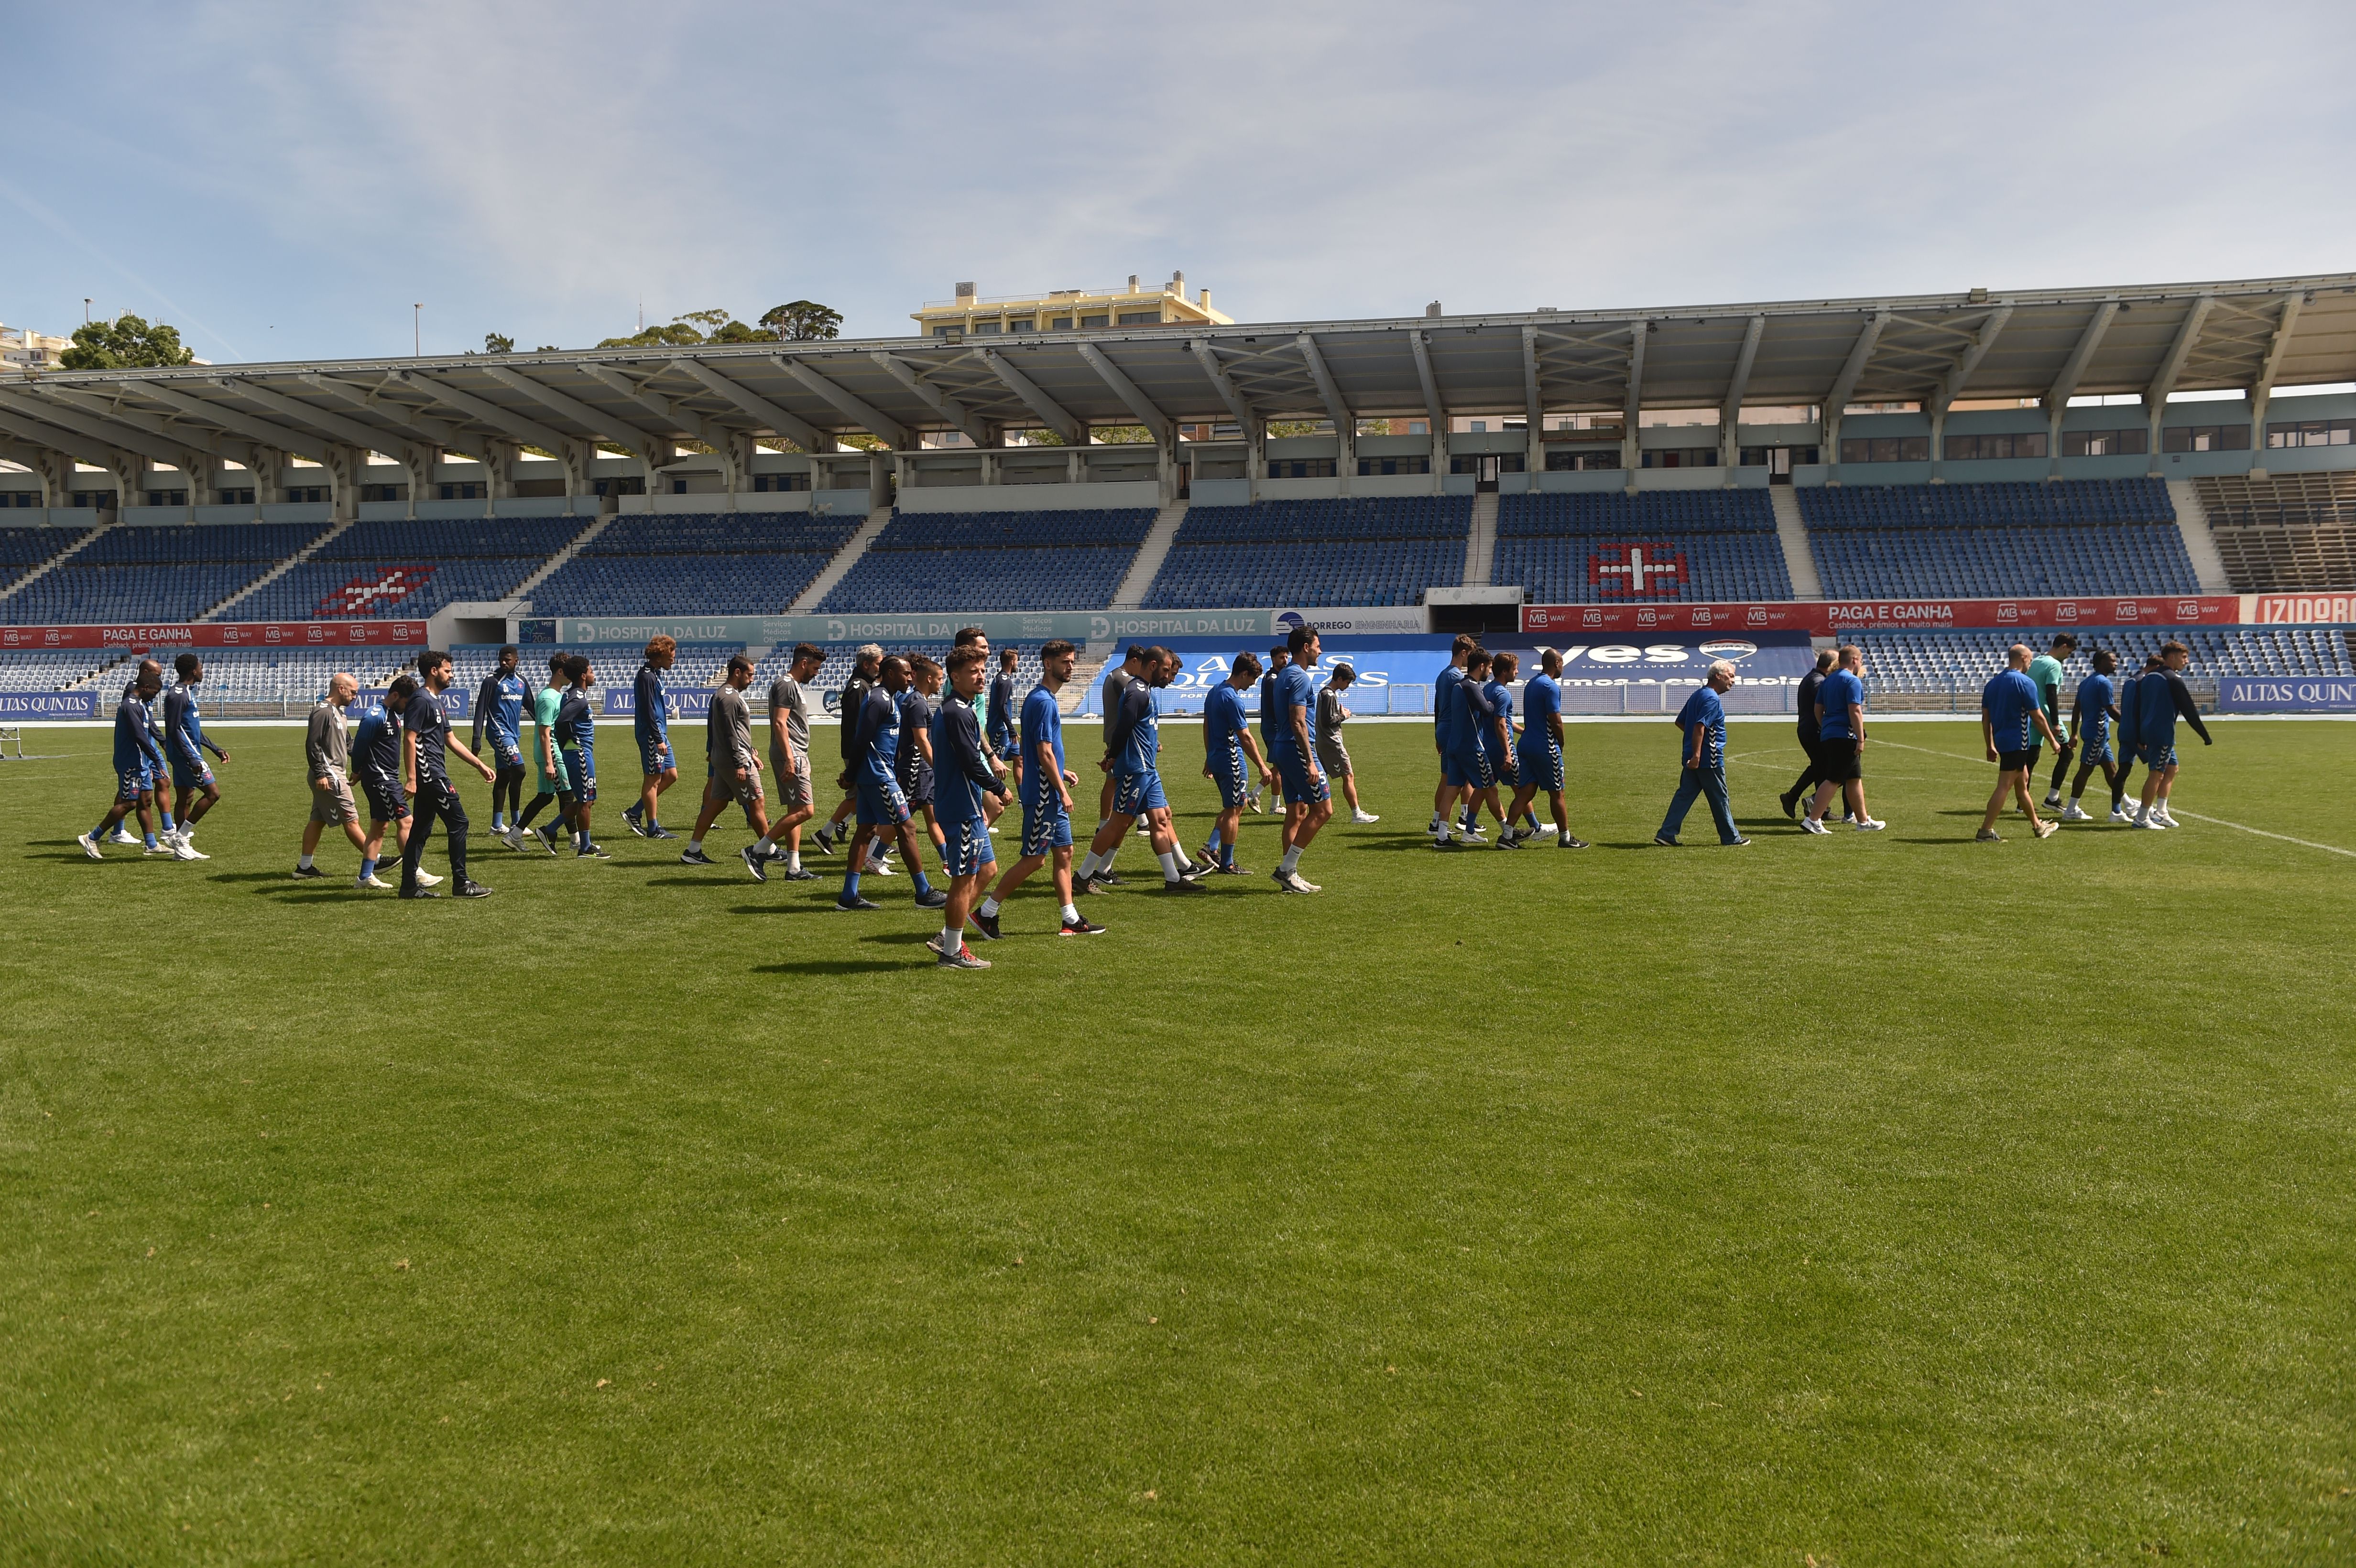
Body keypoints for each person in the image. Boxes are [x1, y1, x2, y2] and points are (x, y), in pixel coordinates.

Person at [972, 639, 1103, 939]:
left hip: (1048, 789)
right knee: (1035, 859)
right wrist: (1062, 789)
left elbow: (1042, 751)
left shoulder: (1040, 698)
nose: (1071, 666)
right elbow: (1043, 751)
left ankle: (1070, 919)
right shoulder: (1044, 701)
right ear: (1048, 664)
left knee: (1066, 853)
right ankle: (986, 912)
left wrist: (1061, 770)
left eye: (1072, 661)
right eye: (1065, 662)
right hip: (1045, 795)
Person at [1080, 645, 1203, 894]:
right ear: (1153, 666)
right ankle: (1082, 877)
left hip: (1148, 770)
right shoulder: (1137, 692)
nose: (1168, 676)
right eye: (1166, 670)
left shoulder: (1144, 690)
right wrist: (1113, 757)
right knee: (1118, 824)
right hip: (1135, 769)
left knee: (1161, 818)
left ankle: (1173, 879)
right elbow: (1123, 727)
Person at [836, 654, 946, 913]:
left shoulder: (892, 699)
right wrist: (851, 773)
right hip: (877, 774)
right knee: (907, 827)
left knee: (866, 830)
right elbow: (862, 738)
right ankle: (924, 892)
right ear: (890, 674)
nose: (910, 677)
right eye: (906, 673)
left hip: (877, 774)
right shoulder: (879, 699)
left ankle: (849, 895)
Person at [929, 645, 1012, 968]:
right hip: (961, 807)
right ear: (955, 676)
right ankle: (951, 950)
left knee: (988, 870)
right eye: (973, 671)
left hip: (968, 806)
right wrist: (999, 788)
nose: (981, 676)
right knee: (963, 880)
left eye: (982, 670)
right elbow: (968, 762)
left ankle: (950, 937)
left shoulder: (961, 708)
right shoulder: (957, 712)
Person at [711, 641, 823, 878]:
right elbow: (780, 723)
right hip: (791, 754)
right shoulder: (785, 685)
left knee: (796, 810)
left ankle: (793, 867)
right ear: (804, 663)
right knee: (806, 810)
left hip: (796, 753)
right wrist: (791, 759)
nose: (816, 674)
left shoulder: (791, 685)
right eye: (814, 669)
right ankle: (759, 850)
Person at [399, 650, 495, 897]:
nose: (452, 675)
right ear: (434, 671)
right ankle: (461, 884)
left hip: (432, 774)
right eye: (448, 671)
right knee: (459, 822)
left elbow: (450, 740)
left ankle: (409, 886)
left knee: (421, 829)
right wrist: (412, 778)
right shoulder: (421, 700)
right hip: (431, 776)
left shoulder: (436, 701)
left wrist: (479, 765)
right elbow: (409, 738)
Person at [79, 659, 177, 860]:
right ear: (146, 687)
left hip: (141, 762)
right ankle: (92, 837)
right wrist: (157, 761)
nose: (155, 697)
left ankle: (151, 844)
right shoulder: (131, 705)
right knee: (129, 803)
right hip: (131, 761)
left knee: (145, 800)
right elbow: (139, 736)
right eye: (155, 692)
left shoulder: (140, 704)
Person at [282, 671, 374, 878]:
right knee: (351, 819)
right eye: (353, 692)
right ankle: (375, 860)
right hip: (329, 776)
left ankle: (305, 868)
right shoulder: (323, 711)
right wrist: (320, 774)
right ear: (341, 689)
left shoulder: (340, 713)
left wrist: (366, 760)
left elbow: (349, 745)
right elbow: (312, 744)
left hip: (334, 774)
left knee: (318, 820)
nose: (355, 697)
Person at [1655, 660, 1748, 847]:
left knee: (1685, 795)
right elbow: (1700, 726)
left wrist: (1693, 747)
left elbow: (1681, 722)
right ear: (1718, 676)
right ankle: (1731, 837)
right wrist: (1699, 753)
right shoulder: (1712, 698)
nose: (1733, 680)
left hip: (1693, 755)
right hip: (1708, 758)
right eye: (1730, 676)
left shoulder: (1698, 694)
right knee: (1720, 796)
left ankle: (1667, 833)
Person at [1269, 624, 1335, 891]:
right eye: (1318, 646)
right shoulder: (1300, 678)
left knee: (1297, 811)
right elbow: (1298, 722)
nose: (1321, 651)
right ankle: (1286, 870)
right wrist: (1310, 760)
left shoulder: (1284, 674)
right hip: (1297, 749)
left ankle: (1290, 874)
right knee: (1324, 810)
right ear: (1306, 647)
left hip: (1282, 748)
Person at [1976, 644, 2063, 843]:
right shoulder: (2025, 682)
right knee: (2005, 786)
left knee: (2022, 784)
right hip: (2019, 741)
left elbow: (1986, 718)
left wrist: (1990, 745)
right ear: (2024, 658)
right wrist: (2053, 740)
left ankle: (2038, 826)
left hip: (2003, 741)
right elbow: (2038, 717)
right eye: (2031, 660)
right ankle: (1985, 831)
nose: (2031, 664)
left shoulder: (1993, 683)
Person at [1199, 652, 1274, 874]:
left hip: (1217, 756)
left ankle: (1212, 847)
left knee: (1235, 805)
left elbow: (1206, 726)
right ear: (1244, 674)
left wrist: (1209, 754)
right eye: (1252, 679)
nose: (1253, 684)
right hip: (1231, 760)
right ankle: (1228, 863)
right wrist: (1261, 765)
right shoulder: (1232, 698)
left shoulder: (1215, 692)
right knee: (1233, 810)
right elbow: (1245, 736)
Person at [2128, 639, 2214, 829]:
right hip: (2162, 733)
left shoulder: (2149, 677)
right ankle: (2142, 818)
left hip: (2148, 730)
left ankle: (2161, 812)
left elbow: (2139, 707)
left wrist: (2140, 734)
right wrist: (2205, 736)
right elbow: (2189, 710)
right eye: (2184, 657)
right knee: (2156, 774)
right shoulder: (2173, 679)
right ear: (2172, 657)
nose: (2187, 661)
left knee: (2172, 768)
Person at [1507, 647, 1587, 848]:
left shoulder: (1532, 683)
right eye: (1562, 664)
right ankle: (1566, 839)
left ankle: (1507, 835)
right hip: (1545, 746)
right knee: (1557, 793)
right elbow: (1556, 720)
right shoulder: (1550, 686)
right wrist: (1561, 742)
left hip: (1526, 744)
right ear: (1557, 664)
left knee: (1525, 792)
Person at [1801, 644, 1884, 834]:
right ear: (1855, 660)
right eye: (1861, 660)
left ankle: (1863, 821)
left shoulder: (1828, 680)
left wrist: (1826, 725)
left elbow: (1817, 709)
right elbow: (1855, 710)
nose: (1861, 663)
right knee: (1834, 779)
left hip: (1830, 733)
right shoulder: (1852, 681)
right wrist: (1860, 738)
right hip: (1845, 735)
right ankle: (1813, 819)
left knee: (1854, 778)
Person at [351, 675, 423, 890]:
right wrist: (357, 771)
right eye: (407, 702)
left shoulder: (393, 715)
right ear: (395, 695)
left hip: (387, 777)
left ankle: (365, 878)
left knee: (379, 827)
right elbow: (360, 745)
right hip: (381, 779)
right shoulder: (375, 715)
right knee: (407, 822)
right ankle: (415, 873)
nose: (408, 708)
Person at [813, 644, 883, 857]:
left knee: (865, 797)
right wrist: (857, 756)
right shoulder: (858, 687)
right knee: (859, 796)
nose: (881, 667)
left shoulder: (864, 685)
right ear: (867, 664)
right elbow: (857, 725)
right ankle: (826, 832)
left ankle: (844, 830)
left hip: (859, 750)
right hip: (857, 751)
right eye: (879, 663)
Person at [162, 653, 228, 858]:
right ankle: (180, 837)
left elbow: (193, 730)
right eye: (200, 667)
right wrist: (192, 758)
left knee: (186, 797)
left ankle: (181, 850)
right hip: (187, 755)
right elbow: (173, 730)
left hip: (188, 752)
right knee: (213, 794)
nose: (202, 671)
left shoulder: (187, 693)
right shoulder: (178, 695)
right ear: (193, 670)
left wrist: (214, 748)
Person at [511, 651, 573, 853]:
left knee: (546, 797)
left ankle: (515, 834)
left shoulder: (555, 696)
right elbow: (545, 733)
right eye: (569, 671)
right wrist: (549, 762)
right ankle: (578, 841)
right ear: (561, 672)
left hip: (549, 752)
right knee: (567, 796)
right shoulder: (548, 698)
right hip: (552, 753)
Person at [623, 635, 680, 839]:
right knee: (653, 779)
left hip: (660, 732)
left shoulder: (655, 674)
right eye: (671, 657)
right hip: (652, 735)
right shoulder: (646, 676)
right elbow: (647, 710)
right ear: (661, 656)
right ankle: (653, 828)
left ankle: (635, 811)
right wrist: (658, 739)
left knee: (671, 775)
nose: (674, 660)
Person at [470, 643, 531, 835]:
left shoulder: (521, 682)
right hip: (498, 732)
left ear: (516, 661)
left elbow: (533, 708)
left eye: (508, 659)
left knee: (504, 776)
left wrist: (549, 729)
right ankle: (517, 823)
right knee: (519, 771)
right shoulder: (492, 681)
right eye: (501, 659)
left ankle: (497, 825)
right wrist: (476, 739)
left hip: (514, 734)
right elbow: (480, 710)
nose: (504, 662)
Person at [2061, 649, 2127, 823]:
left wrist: (2075, 733)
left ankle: (2125, 805)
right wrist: (2130, 725)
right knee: (2085, 770)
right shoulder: (2104, 683)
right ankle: (2071, 809)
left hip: (2093, 732)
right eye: (2112, 660)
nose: (2116, 663)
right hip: (2097, 733)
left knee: (2111, 771)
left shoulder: (2087, 682)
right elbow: (2111, 710)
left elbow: (2077, 709)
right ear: (2101, 662)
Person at [552, 653, 607, 859]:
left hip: (578, 752)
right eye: (592, 671)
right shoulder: (579, 698)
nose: (594, 675)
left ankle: (549, 830)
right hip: (580, 752)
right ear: (583, 676)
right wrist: (574, 744)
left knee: (587, 799)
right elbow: (561, 721)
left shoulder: (570, 694)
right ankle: (585, 847)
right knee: (586, 800)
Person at [898, 654, 947, 882]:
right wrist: (939, 766)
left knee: (933, 816)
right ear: (929, 679)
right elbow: (921, 740)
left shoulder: (919, 700)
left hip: (924, 770)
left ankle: (947, 860)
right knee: (903, 817)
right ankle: (874, 854)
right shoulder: (917, 702)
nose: (941, 683)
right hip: (915, 769)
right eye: (940, 679)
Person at [1431, 635, 1483, 844]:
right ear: (1464, 653)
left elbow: (1437, 706)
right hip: (1453, 729)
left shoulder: (1443, 675)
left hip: (1443, 727)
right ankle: (1447, 823)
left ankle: (1443, 821)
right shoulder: (1456, 678)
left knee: (1453, 779)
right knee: (1451, 780)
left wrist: (1437, 733)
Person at [1779, 648, 1839, 818]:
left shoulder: (1814, 678)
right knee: (1835, 769)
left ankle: (1804, 802)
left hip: (1810, 730)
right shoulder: (1817, 681)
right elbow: (1826, 701)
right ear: (1831, 666)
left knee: (1820, 767)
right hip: (1813, 731)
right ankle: (1807, 800)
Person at [1317, 662, 1378, 825]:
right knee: (1348, 775)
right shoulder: (1329, 695)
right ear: (1339, 679)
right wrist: (1344, 715)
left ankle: (1304, 806)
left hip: (1324, 743)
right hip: (1332, 743)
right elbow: (1328, 720)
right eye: (1347, 682)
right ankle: (1357, 814)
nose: (1348, 686)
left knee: (1318, 777)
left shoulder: (1324, 693)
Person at [2032, 633, 2079, 810]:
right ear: (2063, 647)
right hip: (2047, 716)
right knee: (2067, 754)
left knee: (2030, 758)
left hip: (2032, 715)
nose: (2069, 656)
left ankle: (2023, 801)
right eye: (2069, 652)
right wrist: (2055, 723)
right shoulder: (2055, 665)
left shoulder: (2037, 661)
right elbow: (2051, 693)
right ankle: (2052, 798)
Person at [1253, 643, 1290, 816]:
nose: (1285, 660)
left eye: (1286, 657)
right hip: (1274, 728)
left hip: (1274, 728)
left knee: (1280, 767)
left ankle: (1256, 794)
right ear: (1273, 659)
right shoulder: (1273, 680)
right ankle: (1273, 806)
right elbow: (1278, 706)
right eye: (1282, 657)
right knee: (1280, 768)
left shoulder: (1274, 677)